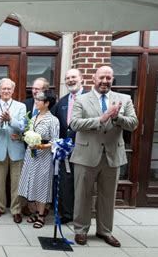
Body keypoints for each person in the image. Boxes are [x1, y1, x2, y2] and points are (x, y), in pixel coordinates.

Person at [70, 65, 138, 247]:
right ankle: (81, 230)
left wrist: (116, 118)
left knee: (108, 196)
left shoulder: (124, 99)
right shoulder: (81, 100)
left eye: (108, 78)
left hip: (112, 155)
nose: (105, 81)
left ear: (112, 79)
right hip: (86, 155)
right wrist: (101, 118)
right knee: (83, 195)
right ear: (94, 78)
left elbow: (133, 123)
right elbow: (74, 123)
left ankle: (105, 231)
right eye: (102, 77)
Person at [51, 68, 88, 224]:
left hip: (85, 148)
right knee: (66, 182)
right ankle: (67, 214)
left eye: (74, 77)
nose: (71, 80)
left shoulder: (89, 98)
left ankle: (82, 215)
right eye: (68, 78)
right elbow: (55, 122)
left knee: (82, 184)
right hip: (66, 150)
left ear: (81, 79)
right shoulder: (63, 101)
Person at [0, 78, 26, 223]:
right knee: (0, 181)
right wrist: (1, 121)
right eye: (3, 89)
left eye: (9, 89)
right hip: (0, 149)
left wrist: (10, 120)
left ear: (13, 90)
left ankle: (16, 210)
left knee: (16, 182)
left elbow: (23, 126)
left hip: (17, 149)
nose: (6, 91)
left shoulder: (20, 106)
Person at [18, 90, 59, 228]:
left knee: (41, 186)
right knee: (31, 184)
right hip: (30, 156)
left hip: (43, 158)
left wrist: (41, 146)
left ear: (47, 103)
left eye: (39, 99)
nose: (35, 101)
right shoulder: (34, 118)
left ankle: (41, 216)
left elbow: (55, 142)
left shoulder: (53, 120)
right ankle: (35, 212)